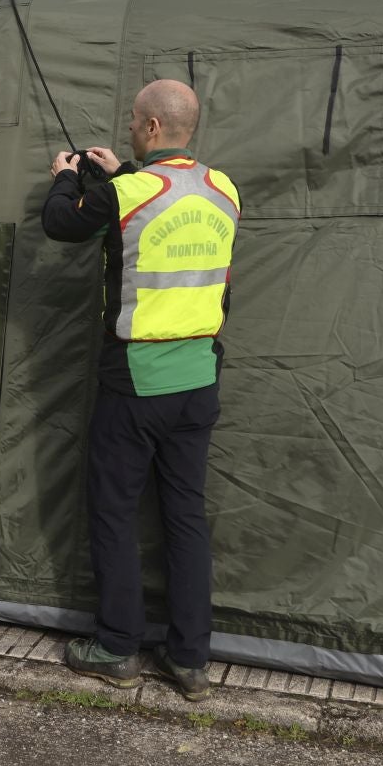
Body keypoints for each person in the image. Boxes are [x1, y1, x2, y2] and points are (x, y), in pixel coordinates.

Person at [40, 79, 241, 701]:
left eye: (133, 122)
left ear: (152, 127)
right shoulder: (223, 188)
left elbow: (59, 225)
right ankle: (190, 662)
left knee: (115, 512)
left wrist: (68, 175)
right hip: (198, 380)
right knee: (185, 518)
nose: (130, 128)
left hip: (136, 382)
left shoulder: (122, 194)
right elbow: (163, 207)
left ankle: (118, 646)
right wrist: (120, 170)